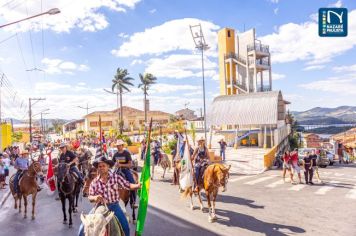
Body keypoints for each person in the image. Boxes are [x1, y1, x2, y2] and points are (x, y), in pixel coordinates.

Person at [78, 156, 141, 236]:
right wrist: (95, 197)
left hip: (114, 206)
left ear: (108, 166)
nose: (101, 168)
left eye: (103, 166)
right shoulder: (94, 182)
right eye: (99, 166)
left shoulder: (115, 177)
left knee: (126, 227)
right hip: (99, 207)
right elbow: (90, 197)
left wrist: (137, 186)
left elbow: (127, 185)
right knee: (81, 229)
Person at [112, 139, 136, 205]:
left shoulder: (126, 153)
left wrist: (121, 165)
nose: (118, 147)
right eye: (117, 145)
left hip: (125, 170)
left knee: (132, 183)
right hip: (117, 170)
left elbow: (130, 164)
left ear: (122, 146)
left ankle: (133, 201)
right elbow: (112, 163)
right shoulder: (115, 154)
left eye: (119, 145)